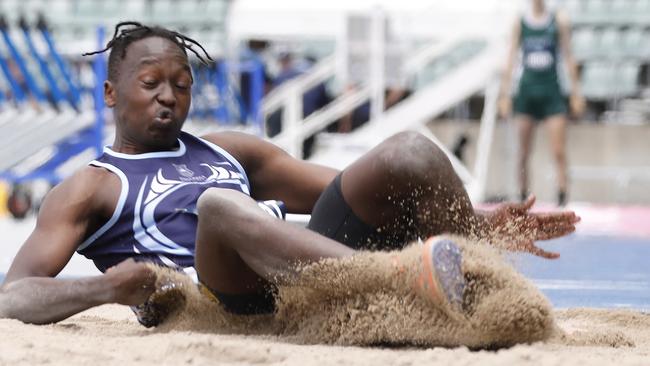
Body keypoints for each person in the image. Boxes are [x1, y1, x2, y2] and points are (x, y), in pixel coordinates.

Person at [0, 22, 579, 326]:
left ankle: (472, 275)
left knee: (409, 151)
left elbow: (338, 188)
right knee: (221, 208)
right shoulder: (91, 187)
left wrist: (477, 216)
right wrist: (107, 287)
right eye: (151, 84)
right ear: (111, 93)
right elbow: (12, 298)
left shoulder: (229, 150)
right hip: (225, 300)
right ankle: (402, 277)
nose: (169, 97)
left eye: (181, 84)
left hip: (315, 271)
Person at [498, 0, 585, 206]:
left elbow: (568, 56)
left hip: (551, 92)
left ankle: (563, 197)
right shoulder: (520, 22)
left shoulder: (558, 20)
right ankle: (522, 198)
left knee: (559, 150)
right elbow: (510, 59)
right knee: (523, 152)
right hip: (527, 93)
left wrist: (576, 93)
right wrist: (504, 94)